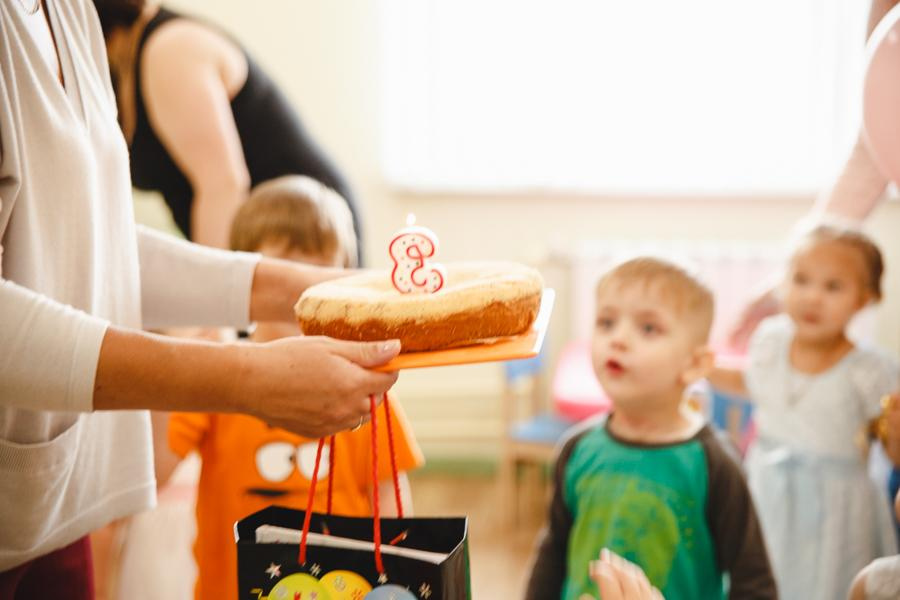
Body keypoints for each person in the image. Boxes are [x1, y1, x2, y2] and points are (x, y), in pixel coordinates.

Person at [0, 0, 398, 593]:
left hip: (54, 500)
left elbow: (95, 245)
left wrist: (300, 290)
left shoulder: (71, 15)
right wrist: (236, 368)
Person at [165, 176, 424, 600]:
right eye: (287, 270)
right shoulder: (220, 375)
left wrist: (396, 572)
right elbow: (155, 471)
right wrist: (184, 368)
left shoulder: (366, 383)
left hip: (344, 589)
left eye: (318, 273)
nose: (301, 296)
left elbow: (388, 494)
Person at [525, 257, 776, 600]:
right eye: (607, 322)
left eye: (648, 328)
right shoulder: (577, 449)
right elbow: (554, 551)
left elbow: (754, 583)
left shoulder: (715, 464)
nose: (618, 339)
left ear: (695, 364)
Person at [709, 225, 898, 600]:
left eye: (832, 287)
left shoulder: (869, 369)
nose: (812, 297)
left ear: (864, 299)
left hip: (838, 506)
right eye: (801, 280)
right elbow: (752, 383)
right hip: (768, 488)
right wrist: (701, 367)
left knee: (828, 583)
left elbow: (890, 447)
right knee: (764, 575)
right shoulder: (771, 340)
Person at [91, 0, 363, 260]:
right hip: (261, 244)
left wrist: (214, 288)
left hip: (307, 233)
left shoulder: (170, 50)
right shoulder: (121, 66)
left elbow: (222, 188)